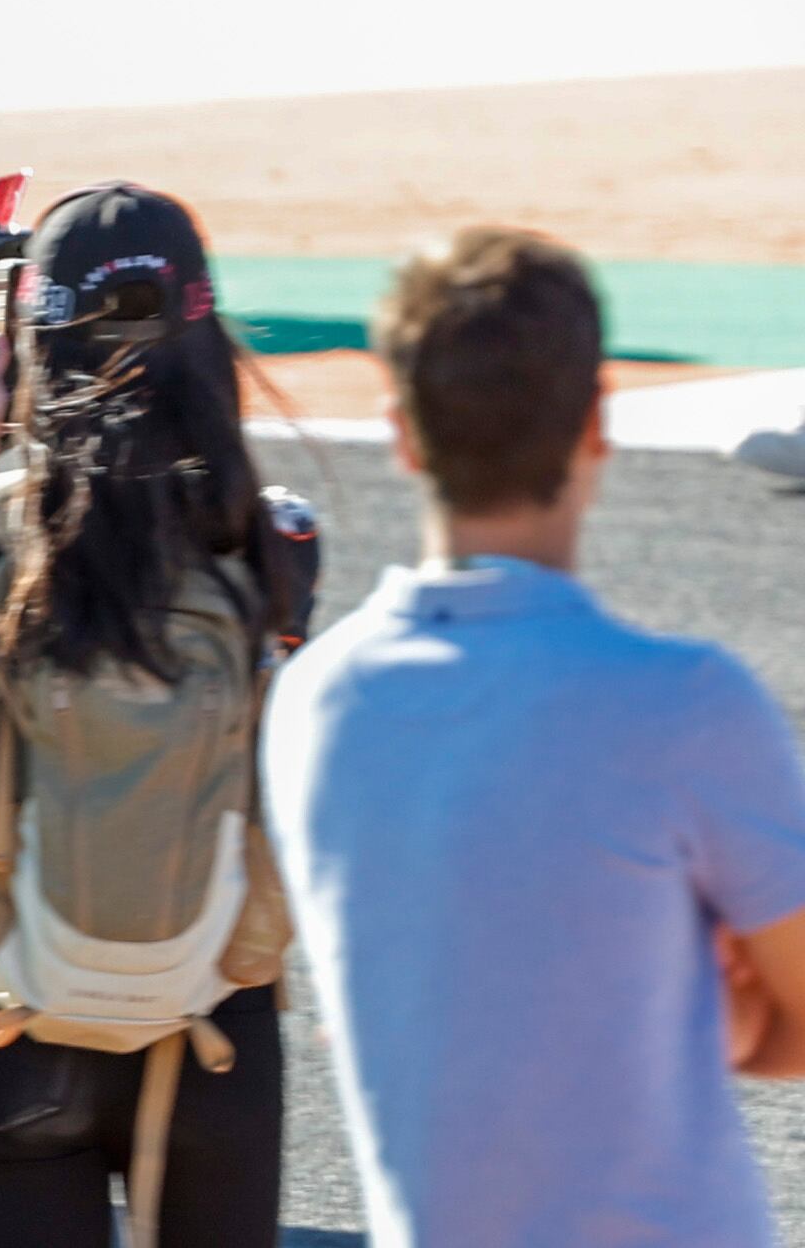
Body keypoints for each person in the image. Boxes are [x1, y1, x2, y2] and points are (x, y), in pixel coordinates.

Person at [262, 227, 805, 1248]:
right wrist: (690, 1008)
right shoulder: (690, 705)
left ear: (404, 436)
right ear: (596, 423)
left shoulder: (309, 704)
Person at [0, 185, 304, 1248]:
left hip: (12, 1033)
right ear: (203, 337)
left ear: (31, 343)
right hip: (212, 1038)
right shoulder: (278, 547)